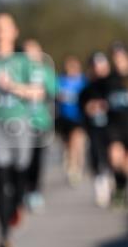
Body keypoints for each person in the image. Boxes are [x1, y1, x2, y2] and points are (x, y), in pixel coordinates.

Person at [0, 13, 44, 247]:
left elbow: (38, 92)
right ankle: (4, 233)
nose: (0, 32)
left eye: (5, 27)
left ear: (14, 31)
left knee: (19, 177)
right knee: (0, 179)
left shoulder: (25, 61)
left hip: (21, 126)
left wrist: (12, 87)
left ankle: (18, 203)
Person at [22, 38, 56, 212]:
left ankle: (34, 191)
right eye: (26, 52)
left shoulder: (45, 71)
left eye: (32, 51)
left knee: (37, 159)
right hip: (20, 122)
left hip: (41, 121)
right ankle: (23, 190)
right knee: (22, 159)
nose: (29, 56)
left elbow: (52, 91)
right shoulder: (17, 69)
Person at [79, 52, 113, 207]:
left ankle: (115, 185)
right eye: (95, 66)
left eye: (101, 65)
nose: (98, 69)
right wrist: (88, 108)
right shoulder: (87, 89)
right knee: (97, 158)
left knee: (112, 157)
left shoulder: (114, 83)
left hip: (113, 129)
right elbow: (82, 108)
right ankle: (101, 188)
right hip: (94, 129)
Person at [55, 55, 87, 186]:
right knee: (67, 145)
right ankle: (71, 161)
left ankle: (75, 168)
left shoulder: (84, 81)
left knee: (77, 142)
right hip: (64, 118)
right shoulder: (60, 80)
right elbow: (54, 96)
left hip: (79, 118)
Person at [105, 42, 128, 207]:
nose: (118, 60)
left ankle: (121, 189)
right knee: (115, 158)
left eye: (121, 56)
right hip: (115, 126)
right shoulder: (109, 79)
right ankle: (119, 186)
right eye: (115, 57)